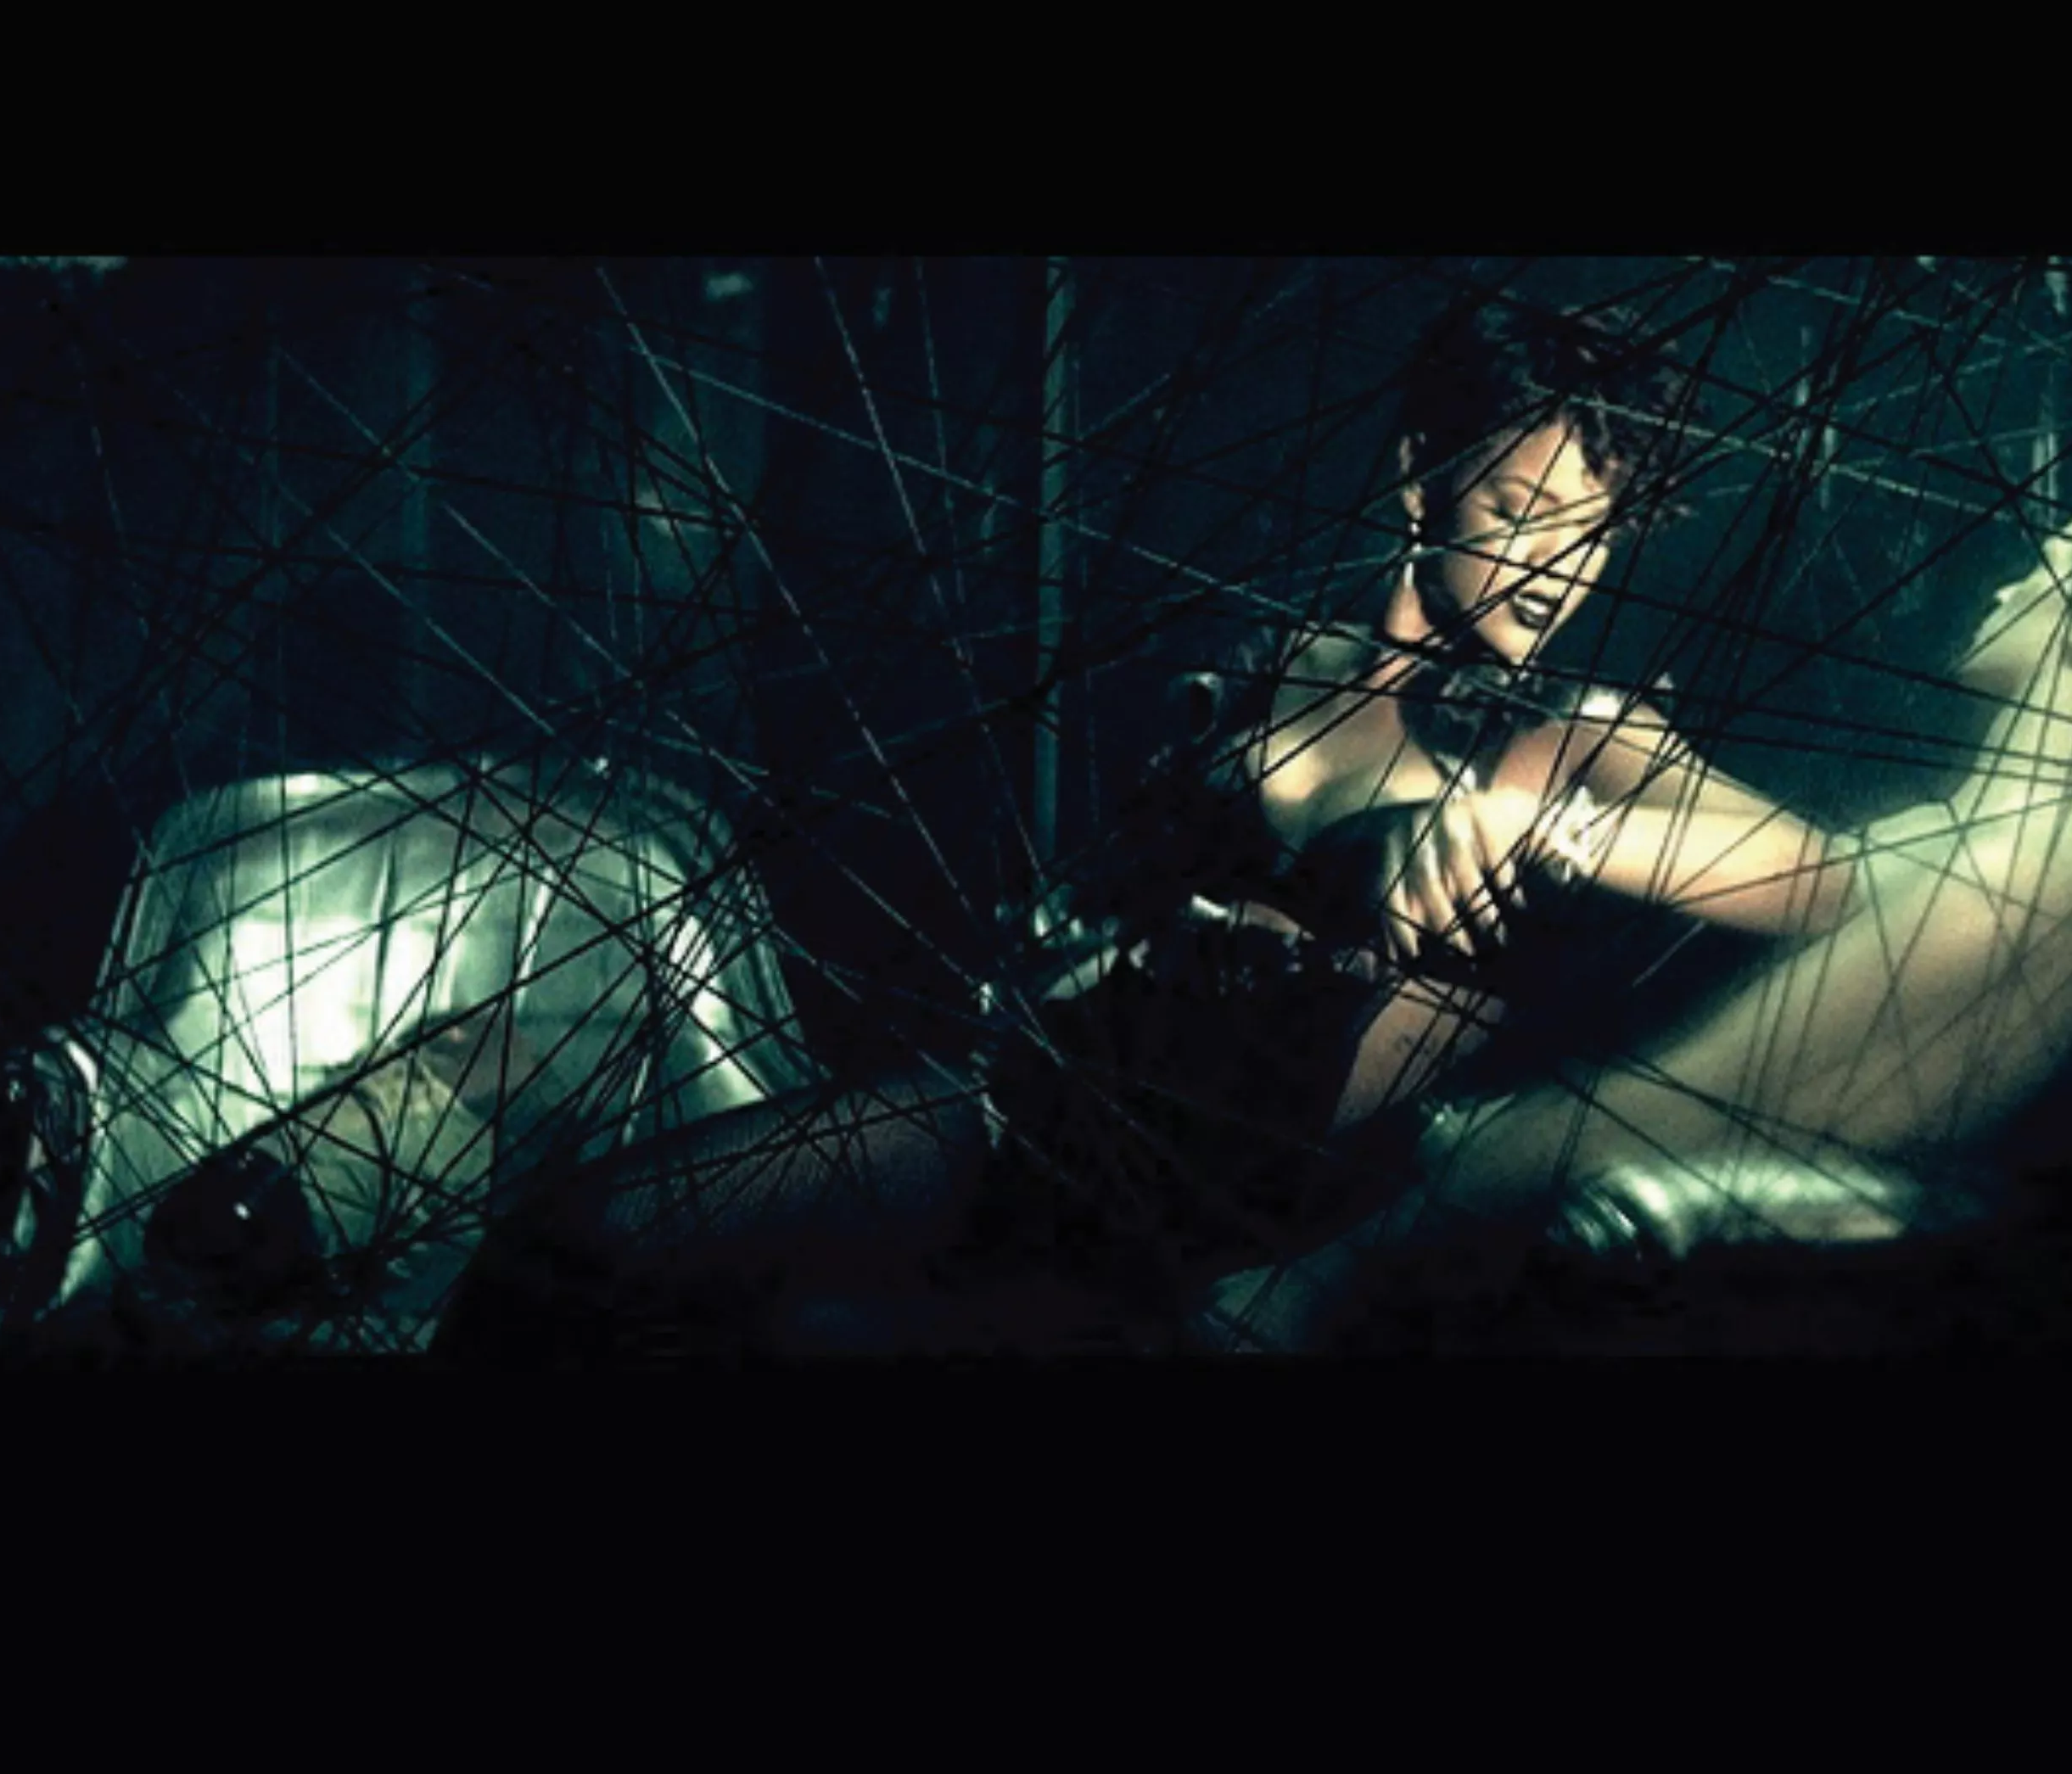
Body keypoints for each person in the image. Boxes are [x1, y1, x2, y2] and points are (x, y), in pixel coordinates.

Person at [440, 295, 1857, 1354]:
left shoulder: (1578, 732)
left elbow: (1817, 877)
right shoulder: (1268, 665)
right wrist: (1092, 936)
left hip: (1229, 1209)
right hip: (1041, 1116)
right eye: (1522, 508)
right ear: (1420, 474)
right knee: (578, 1242)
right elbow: (1103, 911)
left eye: (1594, 529)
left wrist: (1528, 820)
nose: (1559, 564)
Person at [1194, 485, 2072, 1351]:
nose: (2009, 582)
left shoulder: (2012, 878)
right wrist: (1579, 798)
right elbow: (1808, 875)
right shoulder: (1992, 842)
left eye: (2052, 559)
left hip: (1495, 1232)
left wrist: (1337, 1265)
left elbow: (1675, 1098)